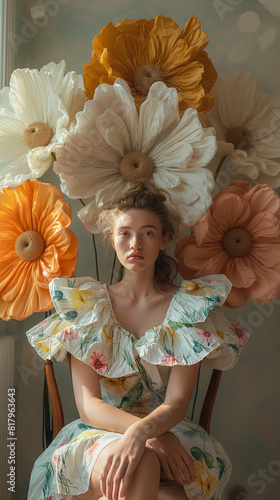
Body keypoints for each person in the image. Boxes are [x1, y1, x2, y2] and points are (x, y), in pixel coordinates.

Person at [26, 184, 249, 500]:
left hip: (171, 430)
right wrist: (144, 437)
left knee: (164, 487)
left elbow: (176, 403)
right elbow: (90, 406)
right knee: (141, 463)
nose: (135, 243)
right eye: (125, 233)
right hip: (99, 431)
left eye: (147, 233)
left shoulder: (189, 309)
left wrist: (147, 431)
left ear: (164, 240)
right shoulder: (88, 308)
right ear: (112, 240)